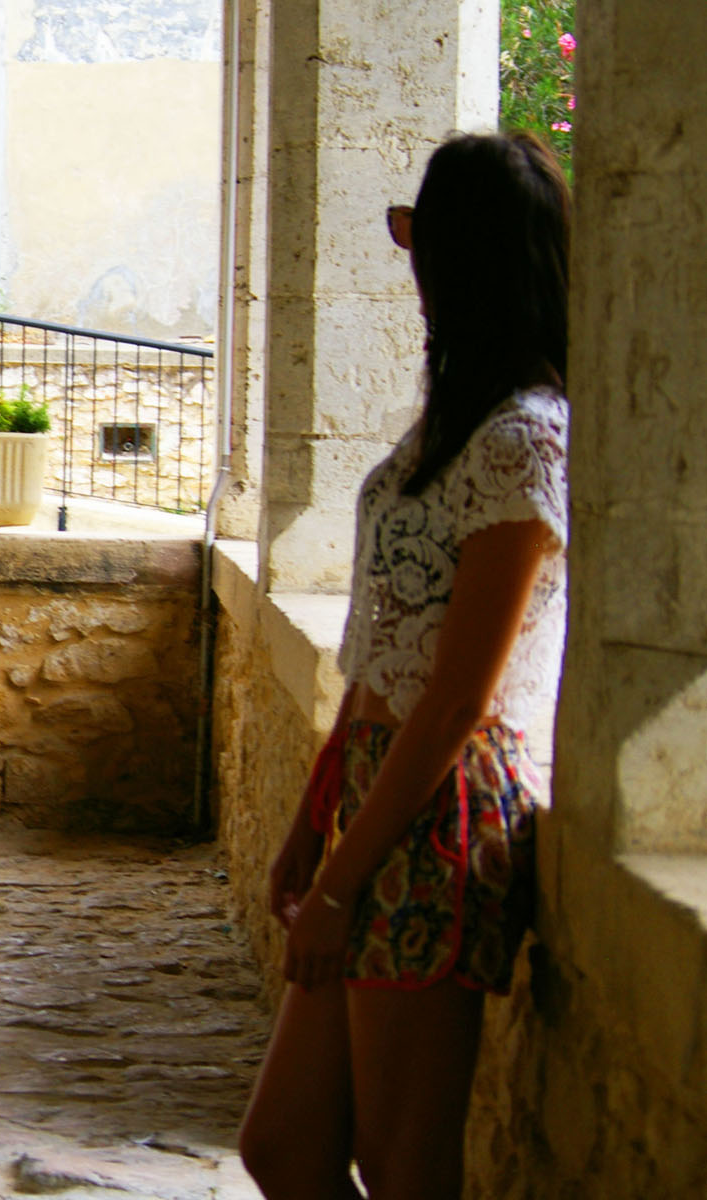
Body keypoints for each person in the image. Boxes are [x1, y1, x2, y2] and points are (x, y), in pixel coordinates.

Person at [238, 130, 572, 1200]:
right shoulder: (455, 421)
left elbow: (459, 700)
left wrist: (340, 884)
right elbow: (387, 653)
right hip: (376, 790)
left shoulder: (525, 442)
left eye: (428, 260)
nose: (415, 285)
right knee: (286, 1145)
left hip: (443, 815)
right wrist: (311, 822)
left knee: (401, 1167)